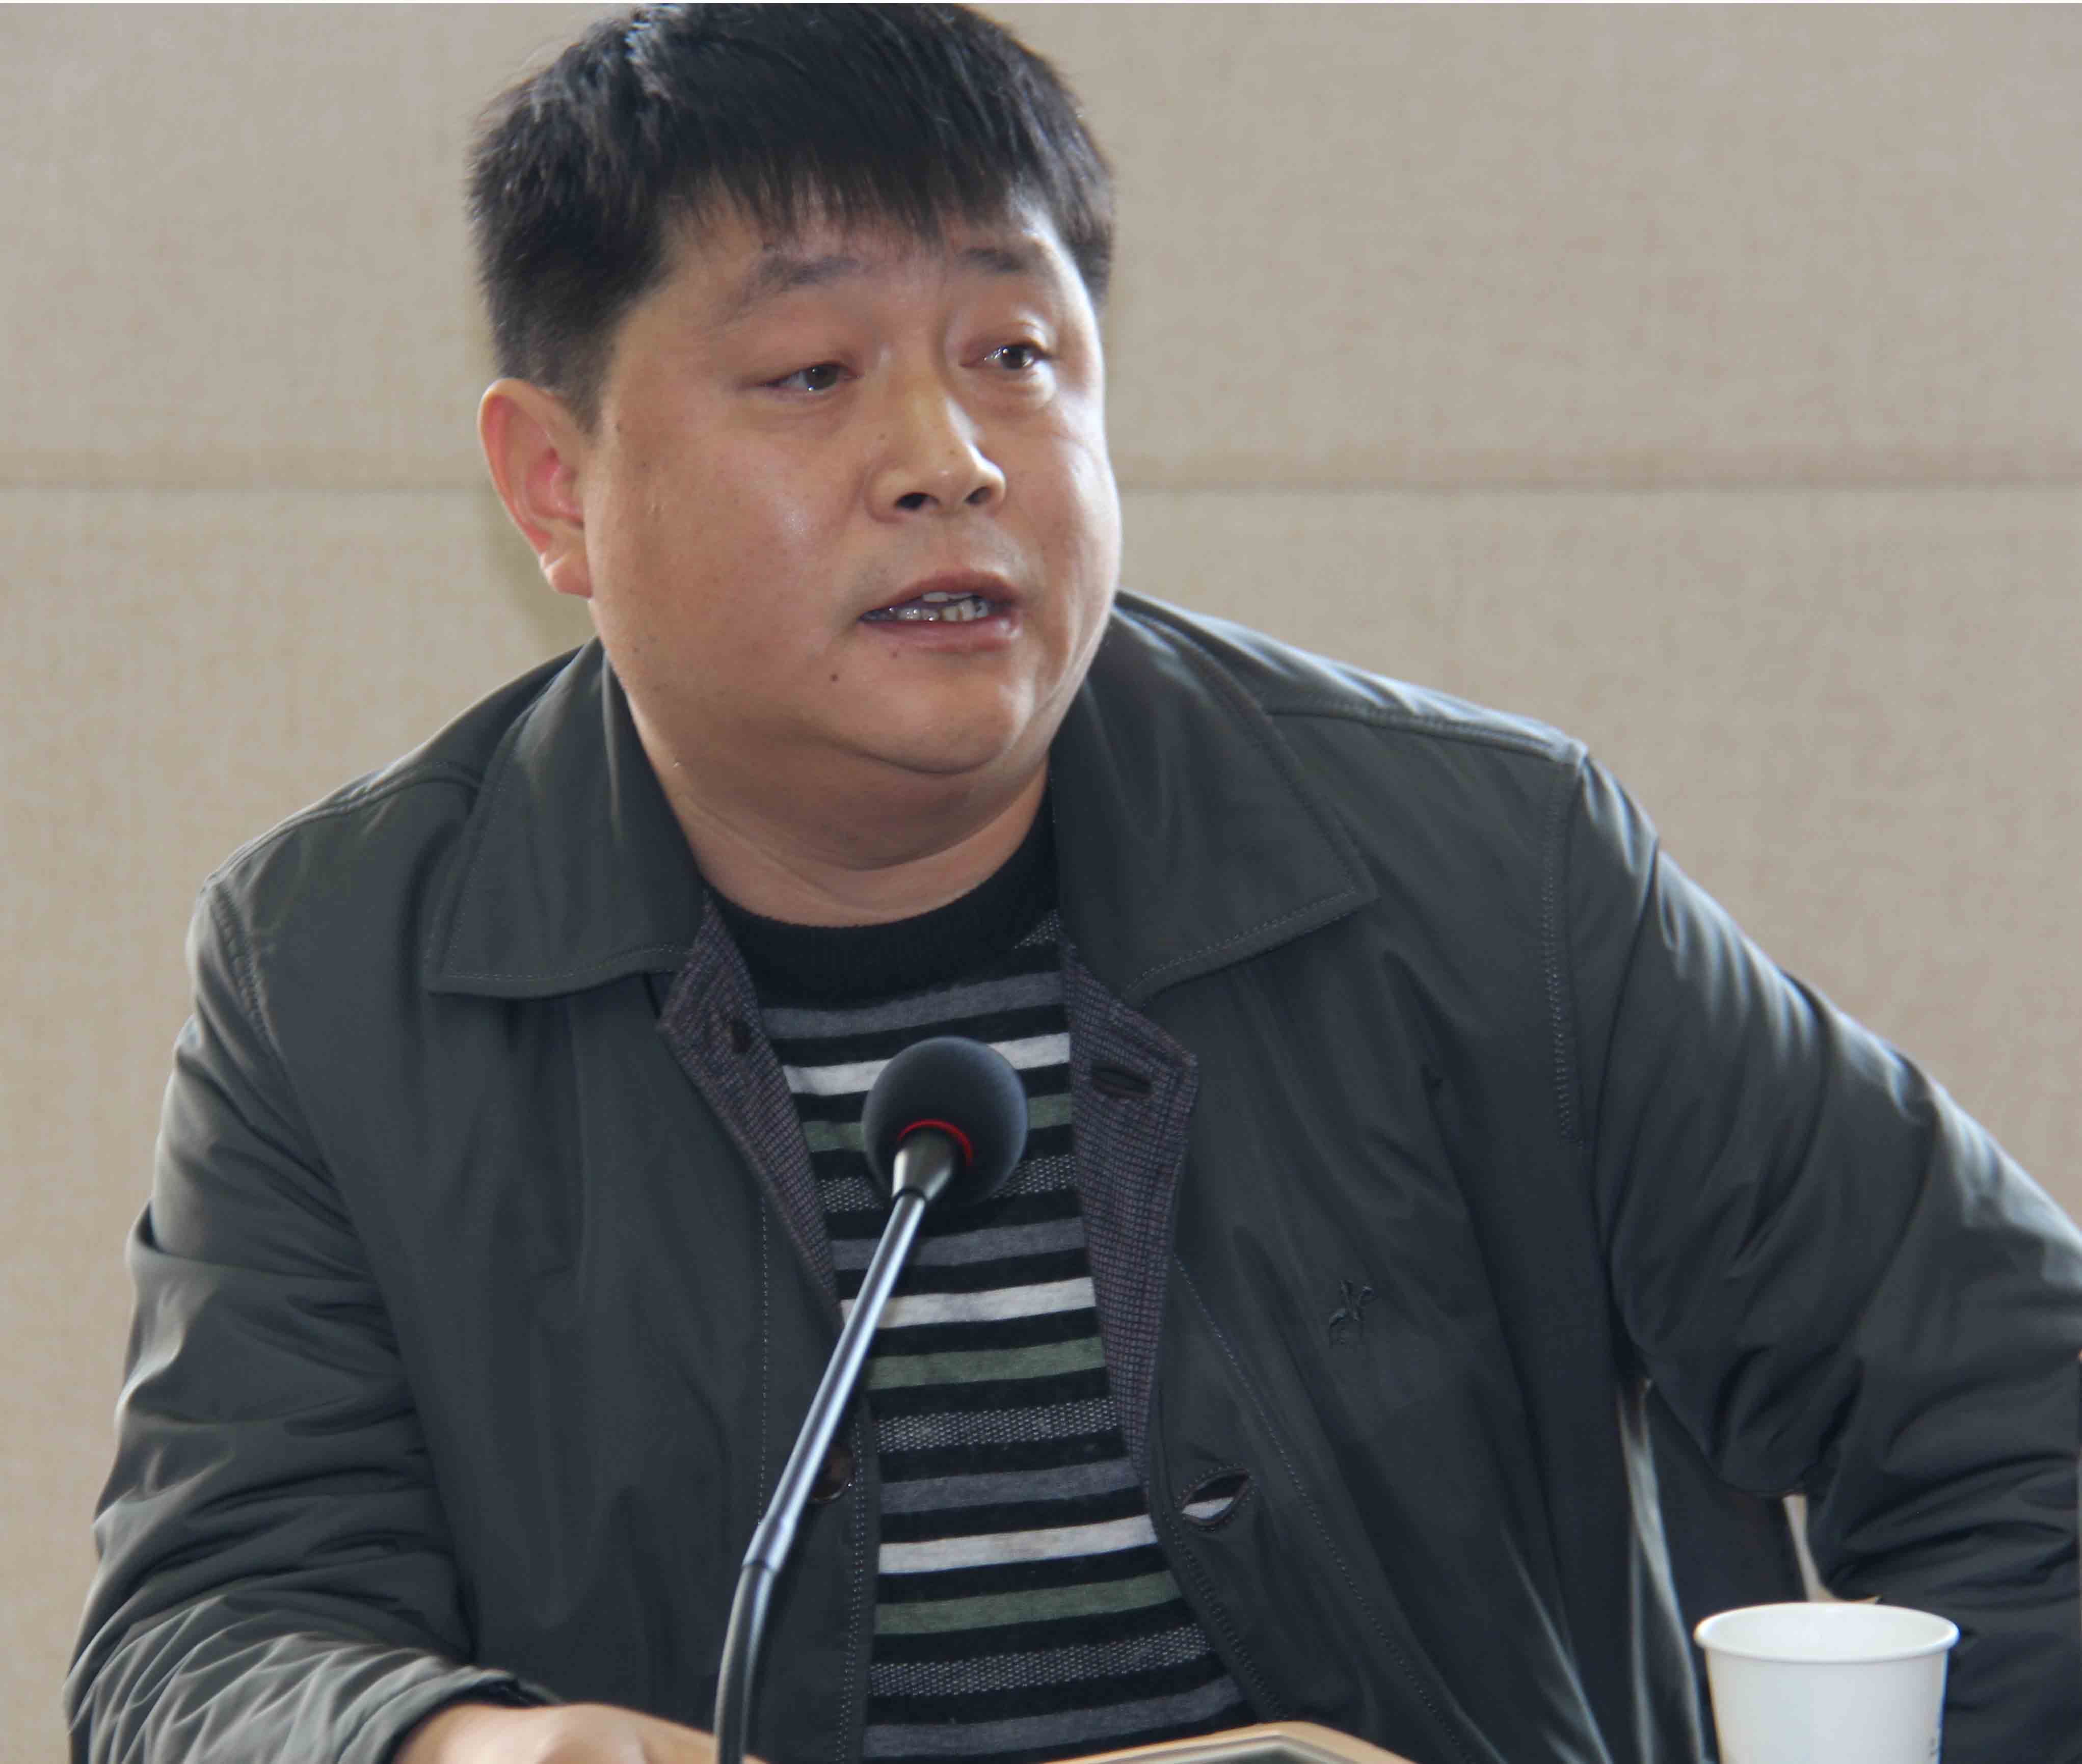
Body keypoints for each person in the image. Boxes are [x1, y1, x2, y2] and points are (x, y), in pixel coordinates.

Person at [66, 8, 2082, 1763]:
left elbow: (2024, 1412)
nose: (946, 456)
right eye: (811, 373)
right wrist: (454, 1739)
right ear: (554, 486)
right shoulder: (343, 972)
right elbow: (206, 1633)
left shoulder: (1484, 873)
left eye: (1015, 354)